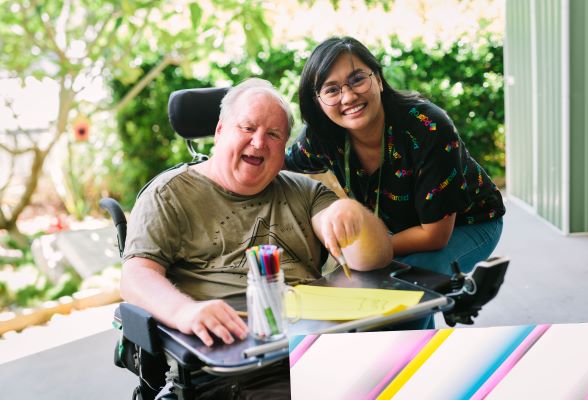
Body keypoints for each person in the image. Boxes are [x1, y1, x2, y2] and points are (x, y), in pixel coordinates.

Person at [120, 78, 393, 398]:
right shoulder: (169, 195)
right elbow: (135, 276)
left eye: (274, 134)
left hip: (320, 347)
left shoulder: (306, 192)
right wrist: (185, 312)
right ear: (220, 131)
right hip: (239, 367)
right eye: (248, 128)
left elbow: (373, 258)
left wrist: (353, 215)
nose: (260, 142)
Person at [285, 36, 505, 277]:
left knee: (407, 281)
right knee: (368, 281)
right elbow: (277, 166)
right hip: (399, 230)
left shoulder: (428, 127)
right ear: (318, 102)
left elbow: (435, 235)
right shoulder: (321, 136)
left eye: (357, 79)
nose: (348, 97)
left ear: (378, 80)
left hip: (470, 224)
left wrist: (372, 250)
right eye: (331, 90)